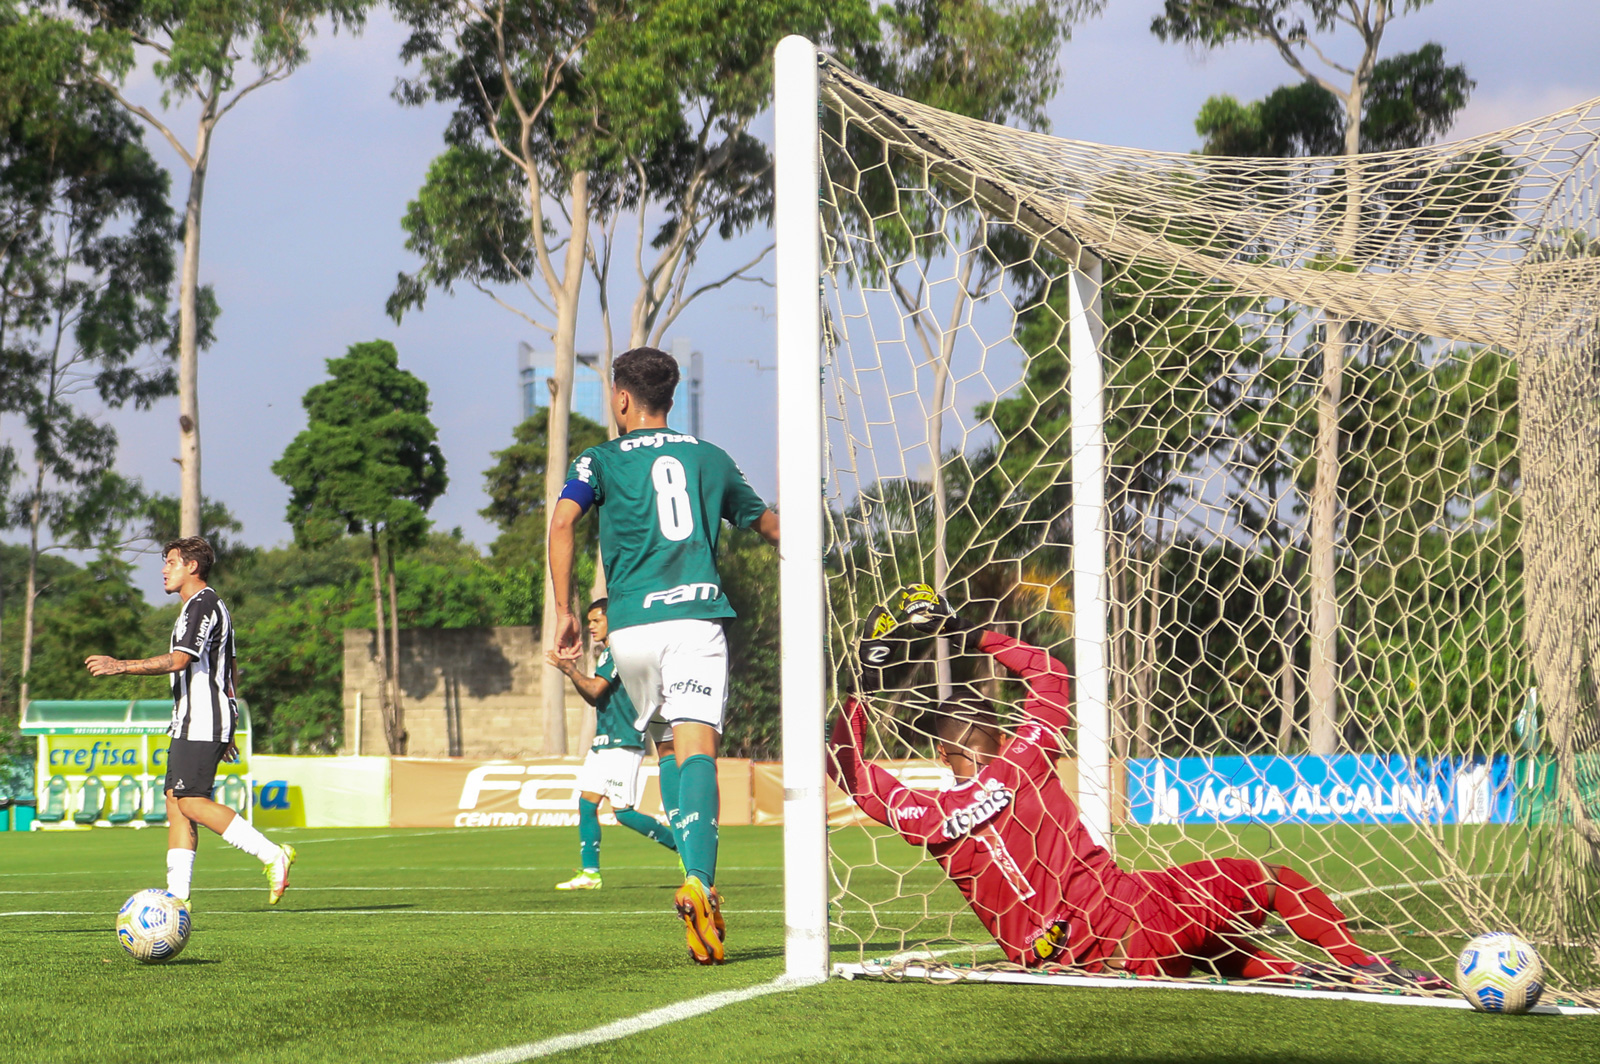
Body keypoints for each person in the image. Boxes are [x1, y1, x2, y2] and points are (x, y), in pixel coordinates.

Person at [828, 584, 1448, 990]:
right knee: (1272, 883)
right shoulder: (1025, 761)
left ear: (940, 752)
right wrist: (969, 634)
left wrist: (856, 681)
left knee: (1222, 958)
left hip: (1077, 962)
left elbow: (849, 770)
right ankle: (1361, 964)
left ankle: (1294, 971)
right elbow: (1049, 672)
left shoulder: (926, 816)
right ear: (994, 733)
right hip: (1140, 918)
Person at [549, 345, 779, 966]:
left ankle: (692, 875)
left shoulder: (596, 459)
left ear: (621, 398)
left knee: (667, 746)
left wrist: (568, 610)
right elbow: (771, 528)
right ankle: (699, 880)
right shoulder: (710, 458)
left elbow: (563, 522)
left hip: (628, 632)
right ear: (671, 400)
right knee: (697, 748)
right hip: (694, 619)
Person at [85, 536, 296, 906]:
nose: (164, 569)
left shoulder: (204, 604)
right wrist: (228, 722)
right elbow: (230, 668)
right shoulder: (199, 607)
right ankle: (177, 897)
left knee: (190, 801)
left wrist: (121, 666)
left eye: (170, 561)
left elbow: (180, 660)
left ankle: (270, 854)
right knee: (175, 801)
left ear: (191, 567)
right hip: (194, 720)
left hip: (201, 719)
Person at [547, 598, 680, 890]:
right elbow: (593, 695)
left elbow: (595, 690)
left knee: (624, 813)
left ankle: (684, 849)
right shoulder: (610, 653)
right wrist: (572, 671)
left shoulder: (618, 652)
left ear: (612, 620)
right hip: (603, 742)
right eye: (590, 621)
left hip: (623, 740)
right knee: (586, 804)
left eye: (596, 620)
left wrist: (569, 669)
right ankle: (590, 874)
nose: (591, 626)